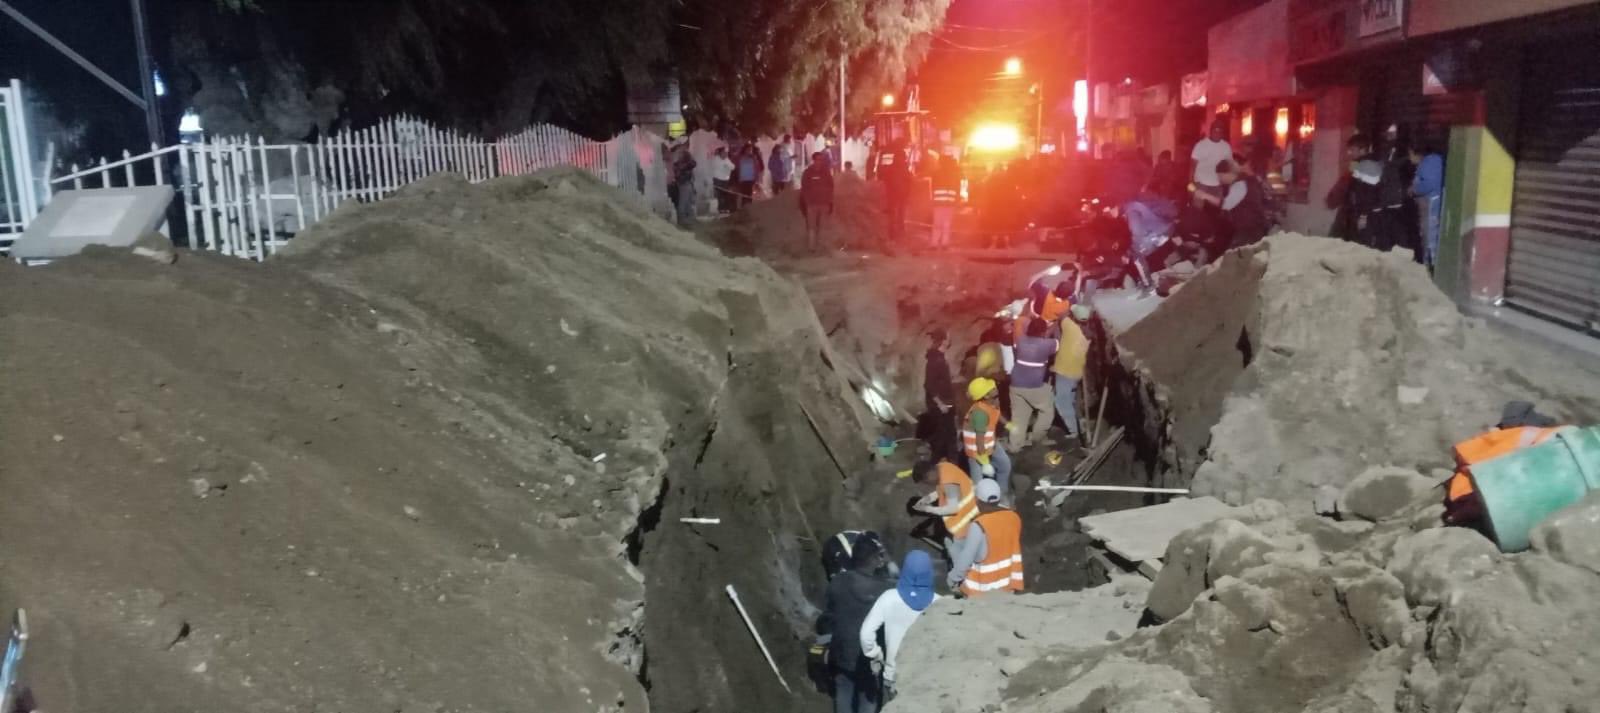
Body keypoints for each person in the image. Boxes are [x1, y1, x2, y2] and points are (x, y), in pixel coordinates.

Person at [1444, 402, 1563, 528]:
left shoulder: (1515, 434)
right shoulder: (1552, 434)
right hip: (1514, 503)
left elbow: (1463, 456)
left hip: (1474, 499)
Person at [816, 536, 894, 713]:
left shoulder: (837, 582)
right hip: (869, 655)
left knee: (843, 691)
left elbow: (829, 614)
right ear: (874, 559)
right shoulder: (885, 590)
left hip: (841, 652)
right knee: (868, 699)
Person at [860, 550, 936, 704]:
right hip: (928, 679)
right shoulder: (940, 603)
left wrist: (876, 654)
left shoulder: (889, 598)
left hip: (894, 677)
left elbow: (865, 634)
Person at [947, 478, 1024, 597]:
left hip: (982, 590)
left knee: (955, 549)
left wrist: (952, 578)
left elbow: (967, 559)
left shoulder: (979, 525)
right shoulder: (1014, 517)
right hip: (1008, 585)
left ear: (977, 500)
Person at [909, 458, 979, 556]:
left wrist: (928, 509)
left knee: (964, 551)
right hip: (969, 510)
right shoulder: (943, 467)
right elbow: (941, 489)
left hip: (966, 521)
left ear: (929, 476)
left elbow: (953, 509)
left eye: (925, 482)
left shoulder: (948, 484)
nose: (928, 485)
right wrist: (929, 498)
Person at [1197, 157, 1269, 249]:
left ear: (1227, 173)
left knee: (1235, 258)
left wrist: (1204, 196)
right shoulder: (1243, 182)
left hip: (1249, 230)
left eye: (1220, 176)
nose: (1219, 180)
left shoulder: (1240, 184)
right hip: (1250, 228)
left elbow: (1226, 205)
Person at [1008, 318, 1058, 450]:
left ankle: (1015, 445)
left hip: (1015, 384)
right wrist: (1056, 324)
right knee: (1047, 411)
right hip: (1034, 385)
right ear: (1043, 331)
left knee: (1019, 417)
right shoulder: (1047, 344)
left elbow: (1035, 339)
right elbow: (1057, 343)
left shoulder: (1021, 341)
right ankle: (1037, 438)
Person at [962, 378, 1012, 498]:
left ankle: (1001, 494)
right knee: (978, 483)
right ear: (986, 395)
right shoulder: (979, 414)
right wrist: (985, 463)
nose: (995, 388)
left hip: (991, 444)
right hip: (977, 452)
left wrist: (1008, 424)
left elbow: (997, 414)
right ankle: (980, 503)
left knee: (1005, 466)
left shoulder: (992, 403)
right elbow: (979, 441)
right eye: (992, 388)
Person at [1053, 302, 1090, 442]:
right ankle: (1080, 424)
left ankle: (1073, 431)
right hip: (1077, 372)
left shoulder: (1070, 327)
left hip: (1065, 371)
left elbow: (1061, 316)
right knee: (1071, 400)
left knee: (1061, 402)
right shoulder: (1087, 333)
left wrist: (1068, 310)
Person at [922, 329, 959, 461]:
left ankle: (947, 462)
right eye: (948, 337)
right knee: (944, 436)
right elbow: (929, 384)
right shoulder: (935, 360)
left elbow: (938, 380)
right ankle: (942, 463)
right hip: (940, 406)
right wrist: (940, 403)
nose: (950, 339)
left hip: (946, 403)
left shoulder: (940, 358)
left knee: (948, 435)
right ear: (943, 341)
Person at [1410, 142, 1444, 267]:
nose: (1409, 158)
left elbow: (1430, 184)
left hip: (1430, 202)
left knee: (1429, 232)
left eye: (1410, 154)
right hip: (1428, 202)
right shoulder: (1430, 162)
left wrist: (1414, 189)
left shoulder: (1430, 162)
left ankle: (1431, 263)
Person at [1190, 120, 1234, 209]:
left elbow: (1229, 165)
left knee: (1218, 210)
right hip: (1201, 183)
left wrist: (1228, 182)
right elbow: (1192, 165)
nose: (1217, 133)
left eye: (1220, 131)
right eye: (1215, 131)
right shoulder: (1201, 145)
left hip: (1217, 184)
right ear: (1211, 131)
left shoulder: (1226, 146)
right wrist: (1191, 183)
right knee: (1198, 210)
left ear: (1222, 133)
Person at [879, 142, 912, 253]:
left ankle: (893, 235)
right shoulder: (904, 168)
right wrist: (908, 193)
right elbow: (909, 181)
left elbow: (885, 179)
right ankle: (899, 234)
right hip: (901, 195)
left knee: (893, 216)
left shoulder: (891, 168)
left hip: (892, 195)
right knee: (900, 216)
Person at [801, 151, 836, 252]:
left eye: (822, 160)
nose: (820, 162)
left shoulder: (826, 172)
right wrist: (807, 202)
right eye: (818, 160)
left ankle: (821, 247)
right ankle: (811, 248)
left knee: (822, 227)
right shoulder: (808, 172)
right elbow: (804, 188)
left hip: (824, 204)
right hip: (811, 204)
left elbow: (831, 186)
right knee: (811, 227)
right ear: (814, 160)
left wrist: (830, 201)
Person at [822, 530, 890, 581]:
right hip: (835, 553)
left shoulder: (873, 544)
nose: (881, 561)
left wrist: (888, 562)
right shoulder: (847, 560)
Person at [929, 154, 962, 249]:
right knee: (947, 223)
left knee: (937, 223)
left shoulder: (936, 173)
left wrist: (931, 200)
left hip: (938, 201)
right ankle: (945, 243)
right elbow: (958, 188)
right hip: (950, 202)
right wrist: (957, 200)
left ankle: (934, 243)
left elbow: (932, 186)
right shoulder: (955, 174)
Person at [671, 143, 697, 227]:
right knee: (683, 201)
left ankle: (688, 220)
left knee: (688, 201)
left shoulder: (684, 156)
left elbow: (693, 163)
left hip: (687, 182)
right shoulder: (678, 159)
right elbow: (691, 164)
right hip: (683, 183)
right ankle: (682, 220)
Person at [735, 142, 763, 209]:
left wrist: (757, 180)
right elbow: (737, 168)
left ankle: (749, 209)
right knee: (743, 195)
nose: (750, 151)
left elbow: (757, 169)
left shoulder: (753, 158)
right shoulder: (740, 158)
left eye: (751, 150)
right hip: (742, 179)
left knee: (749, 195)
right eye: (748, 149)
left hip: (750, 179)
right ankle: (743, 209)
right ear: (745, 149)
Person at [711, 147, 736, 214]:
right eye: (724, 153)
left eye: (726, 153)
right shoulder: (716, 159)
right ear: (720, 153)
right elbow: (713, 167)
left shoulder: (727, 160)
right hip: (718, 179)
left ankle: (725, 208)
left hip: (725, 179)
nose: (725, 154)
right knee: (719, 195)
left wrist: (727, 165)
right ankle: (720, 208)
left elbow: (733, 167)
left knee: (725, 195)